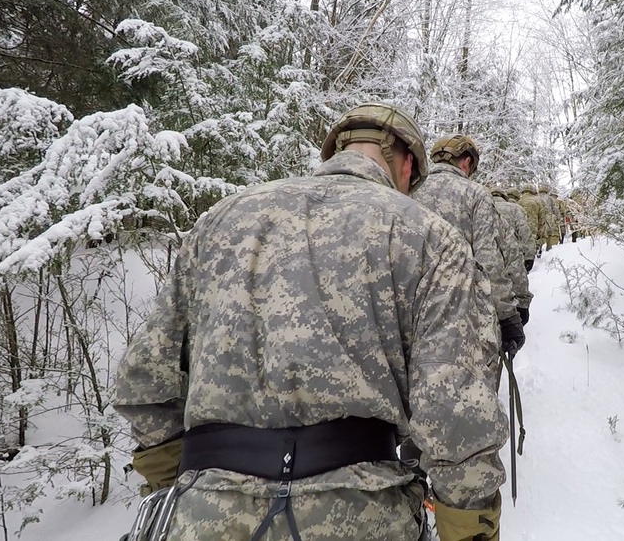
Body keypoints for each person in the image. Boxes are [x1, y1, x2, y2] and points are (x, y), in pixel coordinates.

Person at [113, 102, 508, 541]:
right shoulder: (429, 235)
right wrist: (471, 531)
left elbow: (146, 377)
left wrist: (175, 487)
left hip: (206, 511)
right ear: (408, 164)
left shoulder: (220, 221)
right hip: (361, 514)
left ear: (335, 151)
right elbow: (455, 411)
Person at [411, 134, 525, 366]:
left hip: (412, 310)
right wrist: (507, 314)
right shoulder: (475, 193)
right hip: (463, 312)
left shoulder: (409, 191)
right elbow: (488, 260)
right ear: (466, 161)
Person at [490, 187, 533, 324]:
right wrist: (529, 255)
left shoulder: (481, 206)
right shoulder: (515, 208)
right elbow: (525, 232)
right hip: (512, 255)